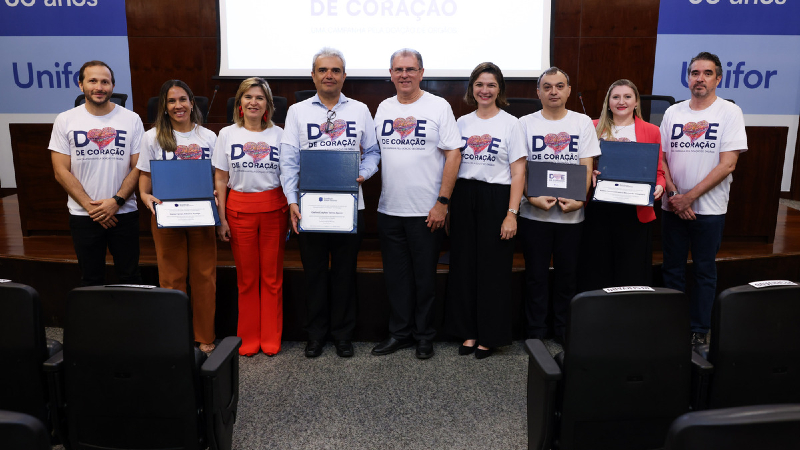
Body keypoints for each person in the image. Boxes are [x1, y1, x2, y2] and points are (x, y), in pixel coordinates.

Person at [280, 48, 380, 358]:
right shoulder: (297, 111)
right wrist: (291, 201)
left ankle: (343, 335)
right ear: (313, 75)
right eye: (323, 70)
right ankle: (316, 335)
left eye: (335, 70)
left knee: (344, 273)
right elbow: (288, 160)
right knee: (314, 273)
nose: (329, 75)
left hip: (349, 207)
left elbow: (374, 152)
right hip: (310, 207)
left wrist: (363, 173)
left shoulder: (361, 110)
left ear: (344, 76)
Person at [371, 48, 462, 359]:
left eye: (410, 69)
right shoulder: (383, 107)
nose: (404, 75)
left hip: (427, 211)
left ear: (422, 73)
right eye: (398, 69)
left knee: (425, 279)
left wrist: (442, 203)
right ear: (391, 74)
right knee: (396, 279)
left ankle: (424, 336)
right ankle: (400, 333)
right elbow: (372, 152)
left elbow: (454, 153)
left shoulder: (438, 106)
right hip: (388, 209)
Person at [660, 52, 747, 345]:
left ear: (718, 78)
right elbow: (662, 158)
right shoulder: (674, 112)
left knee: (703, 271)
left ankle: (699, 328)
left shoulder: (729, 112)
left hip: (708, 209)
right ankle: (672, 324)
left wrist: (689, 198)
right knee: (672, 269)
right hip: (672, 206)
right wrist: (674, 195)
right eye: (695, 73)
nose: (700, 78)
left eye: (707, 73)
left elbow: (728, 164)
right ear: (688, 78)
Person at [444, 62, 526, 359]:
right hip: (465, 196)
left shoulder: (511, 123)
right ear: (472, 89)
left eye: (491, 85)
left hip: (497, 198)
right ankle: (467, 330)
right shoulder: (461, 123)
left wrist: (511, 213)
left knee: (493, 270)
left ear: (499, 90)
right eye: (480, 84)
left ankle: (490, 334)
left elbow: (518, 173)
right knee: (463, 266)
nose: (485, 90)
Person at [518, 67, 601, 344]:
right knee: (536, 277)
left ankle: (564, 331)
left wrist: (580, 199)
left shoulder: (582, 123)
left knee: (567, 278)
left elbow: (586, 165)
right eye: (547, 86)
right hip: (534, 214)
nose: (553, 91)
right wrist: (530, 197)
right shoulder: (525, 123)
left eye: (559, 86)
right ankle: (535, 332)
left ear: (568, 90)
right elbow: (520, 168)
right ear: (538, 92)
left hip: (571, 217)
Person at [138, 80, 218, 353]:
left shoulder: (208, 137)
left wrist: (217, 197)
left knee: (204, 277)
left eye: (182, 99)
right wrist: (145, 196)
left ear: (192, 102)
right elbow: (145, 177)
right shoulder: (152, 137)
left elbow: (216, 177)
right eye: (171, 101)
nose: (178, 106)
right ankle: (176, 335)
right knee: (171, 278)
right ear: (164, 106)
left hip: (201, 216)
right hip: (167, 216)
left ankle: (205, 334)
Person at [49, 60, 143, 287]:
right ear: (81, 85)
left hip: (124, 213)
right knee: (91, 279)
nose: (99, 87)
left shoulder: (132, 119)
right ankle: (95, 323)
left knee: (130, 277)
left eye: (105, 82)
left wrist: (116, 201)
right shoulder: (65, 119)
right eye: (92, 81)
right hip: (84, 215)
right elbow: (60, 171)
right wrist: (91, 207)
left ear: (113, 86)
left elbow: (140, 167)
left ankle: (132, 323)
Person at [213, 77, 288, 356]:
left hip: (274, 211)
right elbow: (220, 180)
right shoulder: (227, 135)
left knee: (271, 278)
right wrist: (221, 219)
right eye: (248, 97)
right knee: (246, 279)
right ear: (240, 103)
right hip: (238, 211)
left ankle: (271, 335)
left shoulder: (279, 135)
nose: (253, 102)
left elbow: (289, 176)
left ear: (268, 104)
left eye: (259, 98)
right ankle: (247, 336)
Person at [577, 79, 665, 291]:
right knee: (597, 269)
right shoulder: (593, 126)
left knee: (632, 271)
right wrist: (590, 175)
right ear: (608, 102)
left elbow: (659, 171)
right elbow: (582, 165)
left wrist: (660, 186)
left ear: (636, 102)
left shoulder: (651, 130)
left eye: (627, 97)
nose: (621, 101)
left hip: (634, 211)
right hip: (599, 209)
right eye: (615, 97)